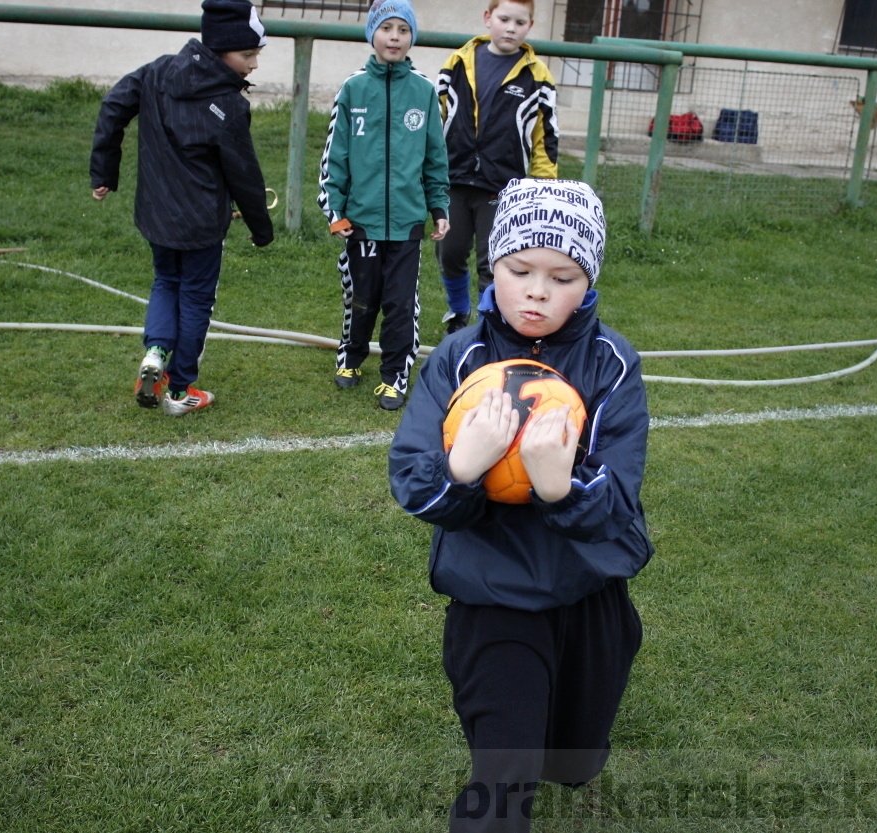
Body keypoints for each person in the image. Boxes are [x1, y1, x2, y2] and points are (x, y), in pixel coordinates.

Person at [389, 179, 652, 832]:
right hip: (494, 593)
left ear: (588, 280)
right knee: (505, 776)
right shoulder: (458, 360)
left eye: (562, 275)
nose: (537, 289)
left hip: (588, 588)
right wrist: (464, 467)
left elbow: (618, 499)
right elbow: (411, 478)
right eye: (520, 269)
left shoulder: (613, 365)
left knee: (573, 759)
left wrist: (559, 485)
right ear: (491, 266)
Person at [90, 0, 274, 417]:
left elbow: (112, 106)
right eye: (248, 55)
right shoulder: (229, 106)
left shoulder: (157, 71)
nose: (254, 65)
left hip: (156, 215)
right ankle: (180, 389)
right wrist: (261, 228)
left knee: (164, 281)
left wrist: (104, 170)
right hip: (201, 225)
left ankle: (154, 355)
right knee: (194, 298)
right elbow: (244, 174)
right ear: (222, 49)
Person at [317, 0, 450, 411]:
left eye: (403, 29)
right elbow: (334, 160)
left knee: (400, 304)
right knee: (361, 297)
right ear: (372, 33)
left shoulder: (425, 91)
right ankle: (351, 357)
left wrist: (439, 208)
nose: (395, 36)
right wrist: (334, 211)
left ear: (412, 37)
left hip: (407, 225)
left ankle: (395, 375)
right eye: (387, 28)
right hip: (360, 223)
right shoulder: (353, 88)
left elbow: (435, 159)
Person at [434, 0, 559, 335]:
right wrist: (429, 171)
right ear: (488, 18)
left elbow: (545, 136)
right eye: (504, 19)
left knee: (494, 261)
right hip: (454, 180)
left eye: (520, 22)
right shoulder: (458, 62)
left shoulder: (537, 75)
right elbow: (437, 118)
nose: (510, 28)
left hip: (503, 186)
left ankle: (484, 323)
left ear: (529, 26)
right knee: (450, 252)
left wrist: (543, 186)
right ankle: (458, 311)